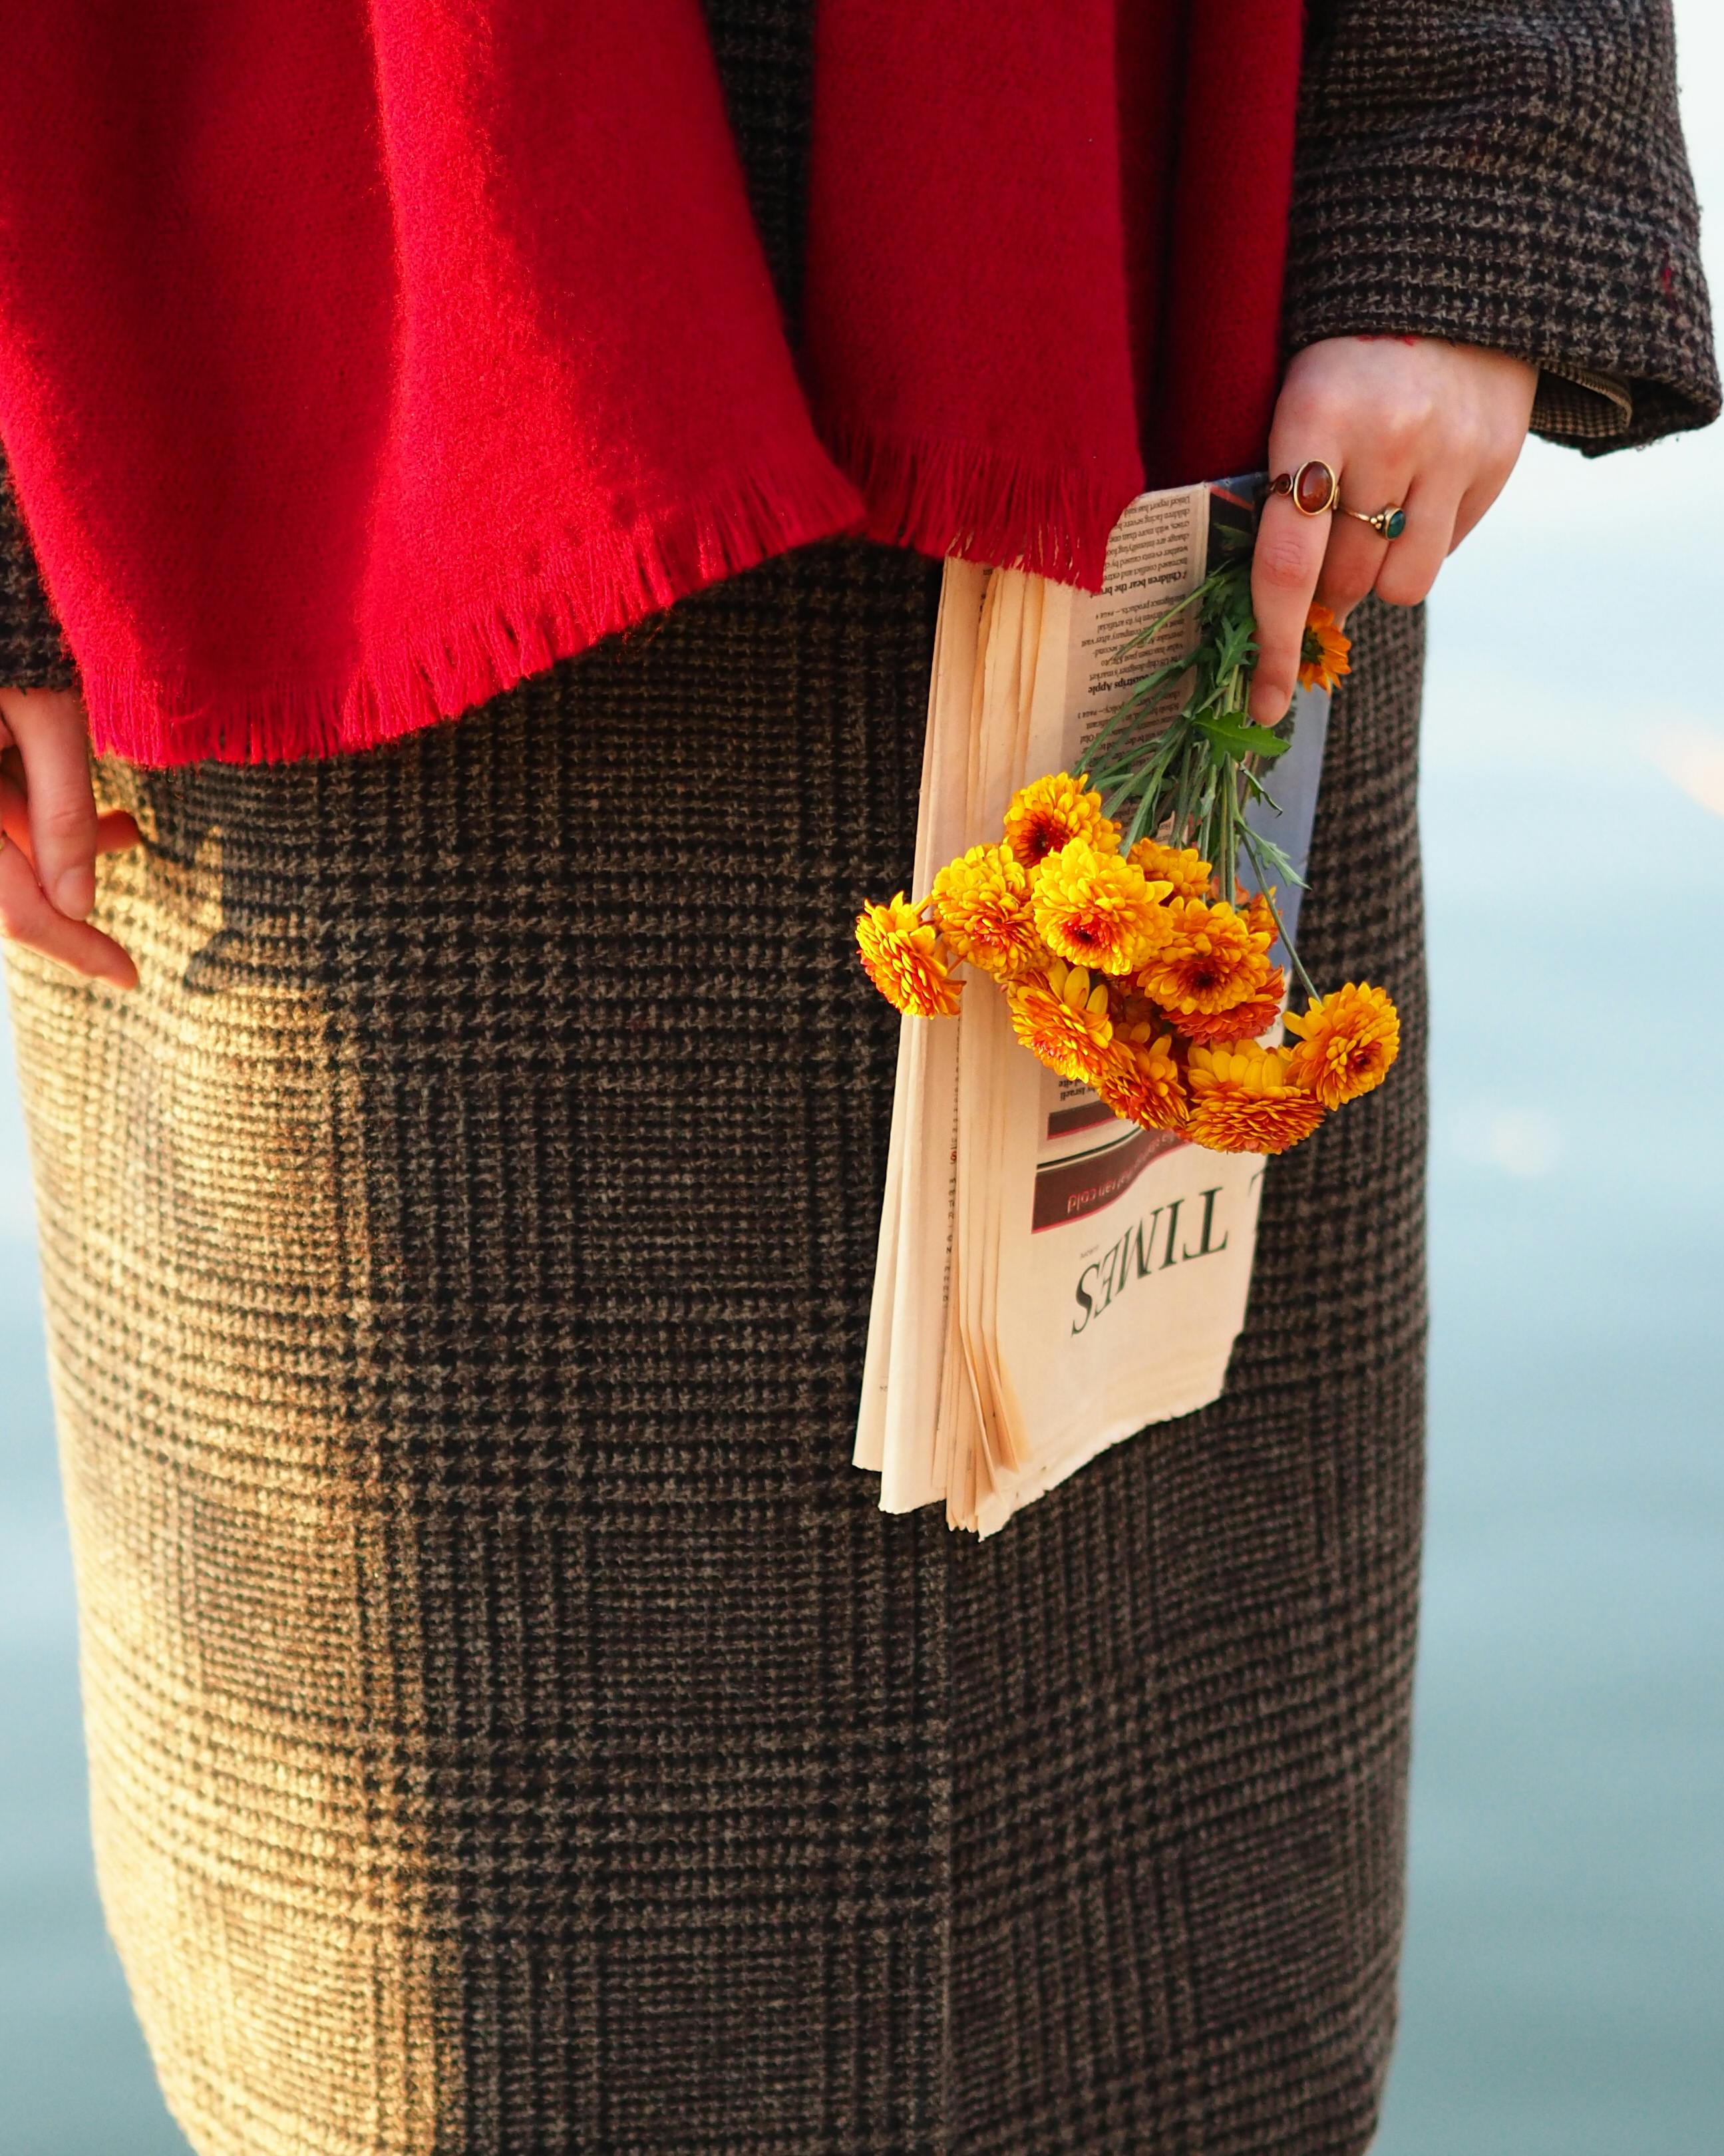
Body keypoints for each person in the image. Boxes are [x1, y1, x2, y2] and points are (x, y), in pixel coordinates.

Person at [0, 5, 1714, 2153]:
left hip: (1146, 319)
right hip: (305, 400)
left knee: (1163, 1963)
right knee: (449, 1993)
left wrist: (1463, 193)